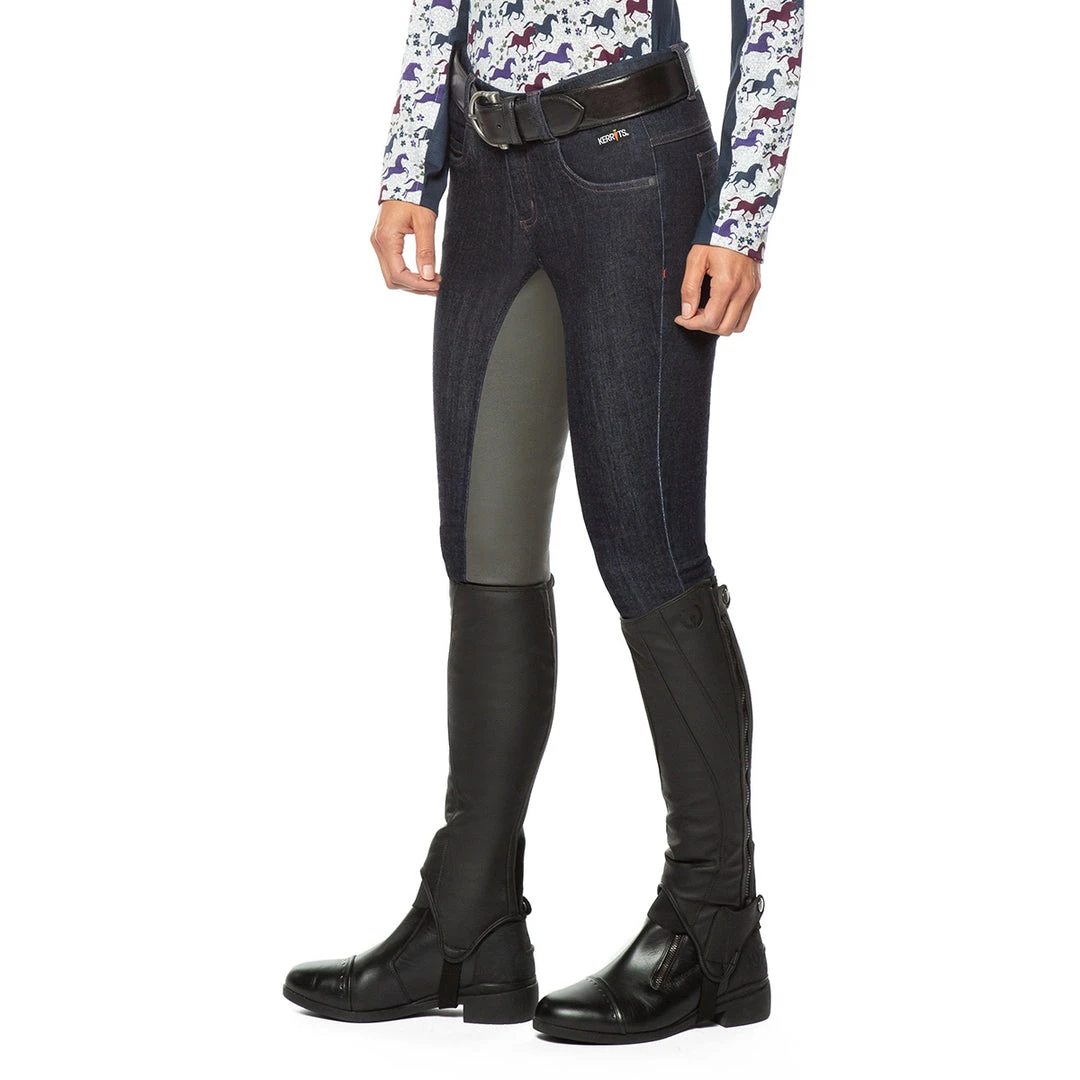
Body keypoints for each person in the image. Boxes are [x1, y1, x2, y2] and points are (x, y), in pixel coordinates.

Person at [284, 0, 804, 1045]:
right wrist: (409, 165)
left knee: (648, 551)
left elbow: (775, 15)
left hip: (634, 170)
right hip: (488, 178)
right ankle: (468, 919)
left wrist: (739, 220)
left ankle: (714, 926)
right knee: (484, 545)